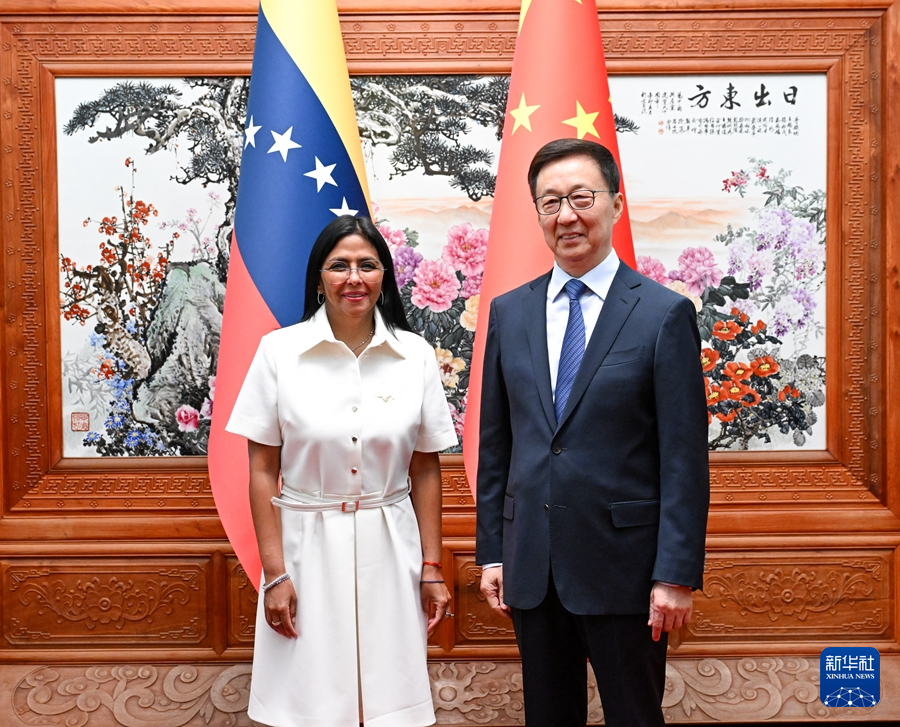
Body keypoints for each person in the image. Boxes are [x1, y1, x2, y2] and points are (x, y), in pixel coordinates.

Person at [475, 139, 709, 727]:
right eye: (550, 202)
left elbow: (683, 457)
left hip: (626, 571)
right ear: (537, 213)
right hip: (533, 565)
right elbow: (497, 444)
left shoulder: (662, 314)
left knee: (634, 715)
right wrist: (494, 553)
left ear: (616, 204)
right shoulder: (510, 312)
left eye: (582, 198)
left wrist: (675, 574)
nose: (567, 216)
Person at [227, 215, 457, 727]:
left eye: (367, 265)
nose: (354, 278)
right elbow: (262, 470)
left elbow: (425, 469)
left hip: (391, 544)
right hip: (305, 548)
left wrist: (432, 567)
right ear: (319, 278)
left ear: (384, 277)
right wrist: (275, 573)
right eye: (339, 266)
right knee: (308, 702)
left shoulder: (414, 355)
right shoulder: (279, 352)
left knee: (390, 699)